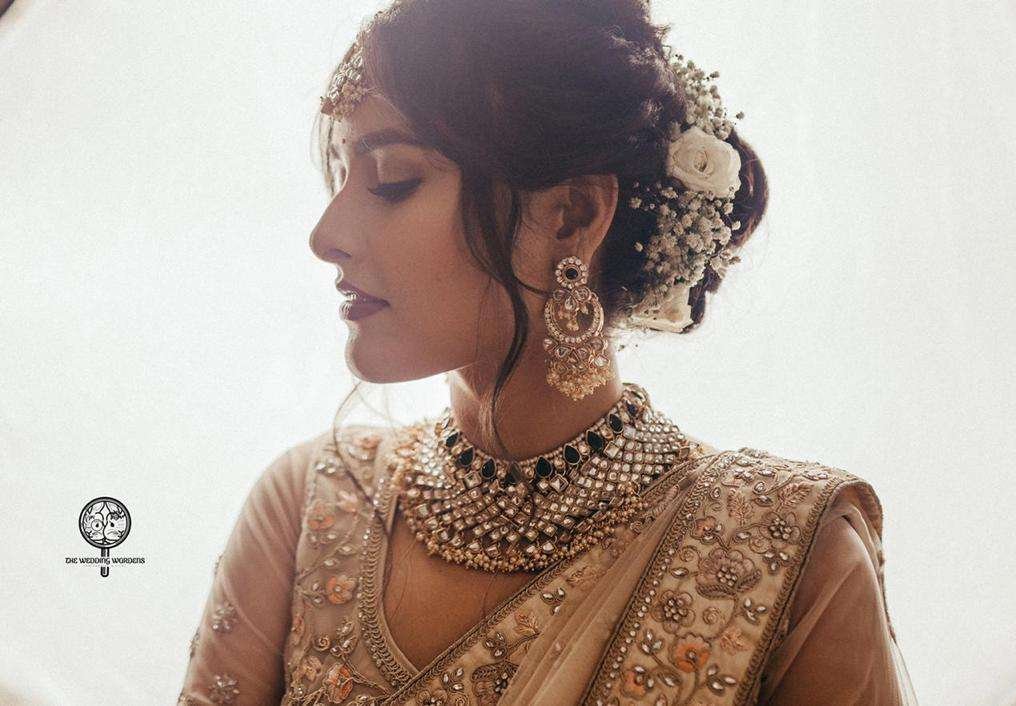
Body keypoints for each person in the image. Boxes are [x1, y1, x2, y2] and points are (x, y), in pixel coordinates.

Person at [178, 1, 918, 704]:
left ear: (573, 215)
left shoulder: (784, 551)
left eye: (392, 181)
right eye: (340, 179)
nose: (325, 236)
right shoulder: (311, 504)